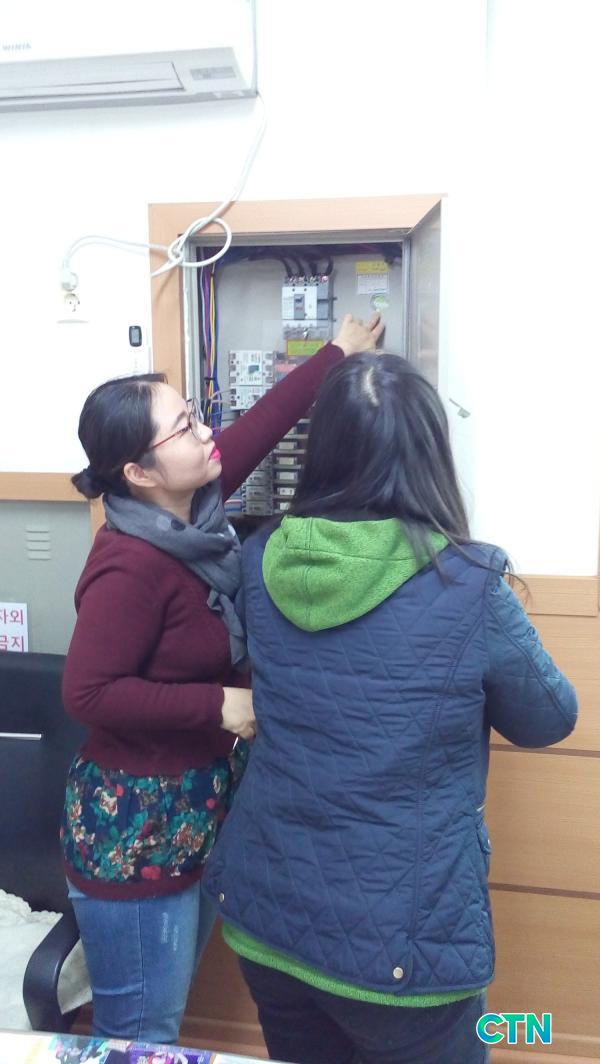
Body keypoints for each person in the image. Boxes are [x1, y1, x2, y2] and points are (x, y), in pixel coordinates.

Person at [203, 353, 578, 1064]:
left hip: (268, 915)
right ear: (430, 454)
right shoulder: (469, 582)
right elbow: (549, 718)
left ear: (322, 450)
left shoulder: (259, 558)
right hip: (403, 948)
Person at [60, 313, 384, 1044]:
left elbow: (261, 425)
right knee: (142, 1032)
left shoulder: (191, 509)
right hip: (135, 833)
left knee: (159, 1018)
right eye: (185, 427)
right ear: (139, 472)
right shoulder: (130, 564)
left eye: (194, 415)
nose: (205, 432)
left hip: (191, 815)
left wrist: (339, 350)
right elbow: (87, 692)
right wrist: (218, 705)